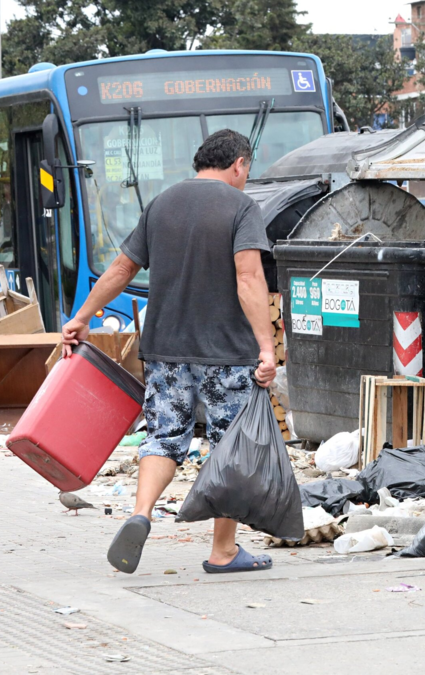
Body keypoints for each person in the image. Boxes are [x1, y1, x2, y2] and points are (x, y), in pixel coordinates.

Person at [62, 129, 277, 575]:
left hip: (166, 350)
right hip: (226, 353)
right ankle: (223, 551)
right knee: (228, 448)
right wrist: (267, 347)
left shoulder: (161, 204)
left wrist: (82, 317)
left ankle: (140, 513)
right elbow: (249, 278)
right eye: (247, 169)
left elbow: (122, 267)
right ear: (238, 163)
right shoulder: (241, 207)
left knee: (164, 435)